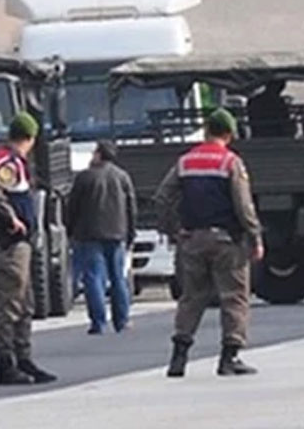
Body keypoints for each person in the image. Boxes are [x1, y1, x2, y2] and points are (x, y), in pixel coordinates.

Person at [155, 109, 263, 378]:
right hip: (226, 241)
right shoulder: (230, 162)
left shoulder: (186, 161)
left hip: (192, 239)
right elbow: (243, 205)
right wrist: (255, 236)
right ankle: (230, 357)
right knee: (234, 297)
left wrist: (174, 229)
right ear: (228, 133)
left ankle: (178, 358)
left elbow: (162, 197)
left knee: (191, 298)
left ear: (206, 131)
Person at [0, 113, 57, 386]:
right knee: (11, 302)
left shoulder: (12, 162)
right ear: (30, 138)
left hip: (16, 243)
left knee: (25, 302)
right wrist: (11, 219)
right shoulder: (8, 163)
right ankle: (6, 363)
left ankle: (24, 359)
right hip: (8, 243)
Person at [66, 141, 136, 335]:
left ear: (98, 154)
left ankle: (98, 322)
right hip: (117, 233)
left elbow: (72, 207)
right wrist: (130, 234)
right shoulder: (122, 177)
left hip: (88, 234)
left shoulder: (84, 177)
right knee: (118, 278)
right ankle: (121, 320)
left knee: (94, 278)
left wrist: (70, 231)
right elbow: (131, 208)